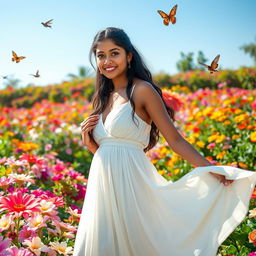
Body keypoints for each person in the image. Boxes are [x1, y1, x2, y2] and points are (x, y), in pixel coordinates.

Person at [73, 27, 256, 256]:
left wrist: (211, 168)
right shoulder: (102, 98)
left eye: (114, 53)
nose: (107, 61)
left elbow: (175, 140)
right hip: (102, 186)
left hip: (132, 185)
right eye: (101, 55)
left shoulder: (142, 90)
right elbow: (108, 150)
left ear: (129, 56)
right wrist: (90, 144)